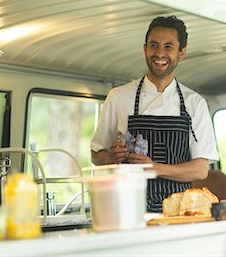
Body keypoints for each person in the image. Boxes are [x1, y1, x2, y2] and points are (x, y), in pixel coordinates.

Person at [90, 15, 218, 212]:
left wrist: (154, 168)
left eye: (168, 46)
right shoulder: (118, 97)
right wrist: (110, 158)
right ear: (145, 48)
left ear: (181, 53)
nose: (159, 53)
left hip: (181, 213)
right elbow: (97, 156)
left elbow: (200, 169)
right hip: (130, 210)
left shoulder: (195, 103)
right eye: (154, 45)